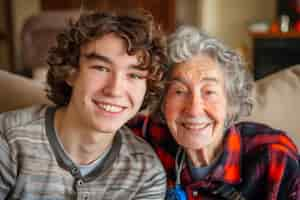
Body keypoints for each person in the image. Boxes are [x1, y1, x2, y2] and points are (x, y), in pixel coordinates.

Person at [0, 10, 167, 199]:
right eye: (101, 68)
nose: (115, 90)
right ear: (71, 72)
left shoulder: (146, 173)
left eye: (134, 75)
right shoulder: (8, 139)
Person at [129, 25, 300, 200]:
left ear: (230, 101)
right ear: (163, 103)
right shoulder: (153, 138)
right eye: (179, 91)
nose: (194, 109)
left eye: (209, 92)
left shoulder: (273, 155)